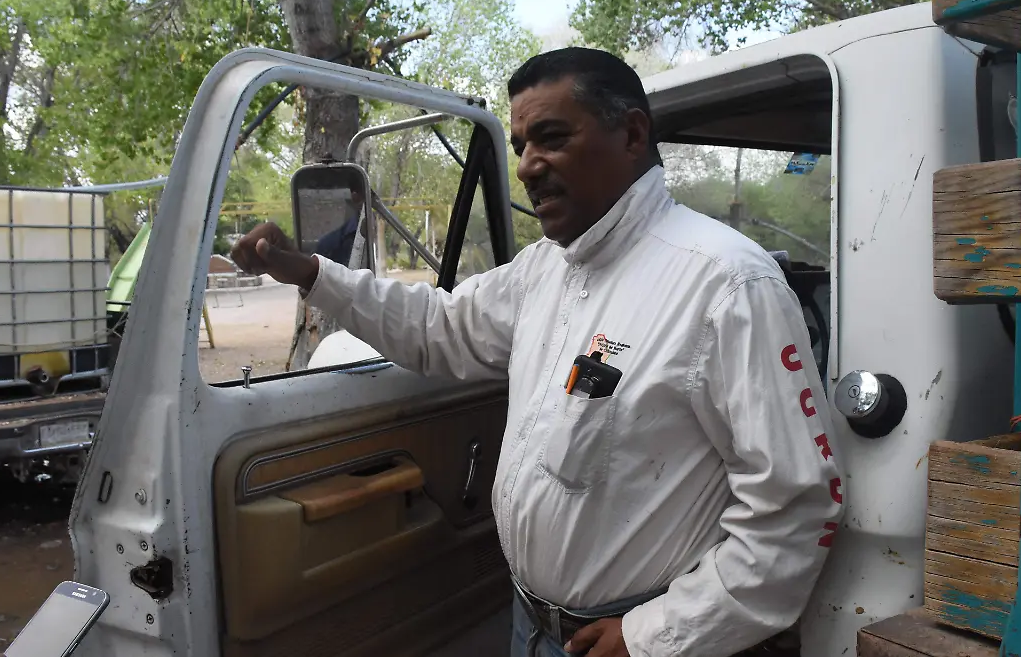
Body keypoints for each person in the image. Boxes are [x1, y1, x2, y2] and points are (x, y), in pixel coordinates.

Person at [231, 47, 844, 657]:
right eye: (521, 144)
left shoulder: (727, 283)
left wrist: (655, 635)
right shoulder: (546, 267)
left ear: (631, 134)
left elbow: (796, 504)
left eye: (550, 137)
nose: (526, 167)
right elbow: (439, 328)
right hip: (532, 623)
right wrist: (313, 273)